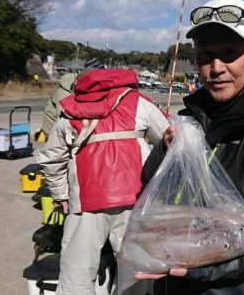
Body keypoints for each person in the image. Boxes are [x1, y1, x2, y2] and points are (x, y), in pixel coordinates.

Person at [134, 0, 244, 295]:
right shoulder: (190, 121)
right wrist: (166, 149)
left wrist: (203, 263)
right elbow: (150, 189)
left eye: (229, 53)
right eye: (205, 55)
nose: (216, 67)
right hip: (169, 282)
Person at [37, 68, 169, 294]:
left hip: (85, 201)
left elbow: (51, 158)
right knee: (137, 270)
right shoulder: (137, 102)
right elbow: (169, 141)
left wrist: (61, 195)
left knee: (76, 275)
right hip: (135, 198)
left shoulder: (70, 107)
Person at [40, 57, 104, 138]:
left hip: (64, 130)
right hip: (53, 130)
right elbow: (64, 117)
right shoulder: (66, 90)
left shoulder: (83, 84)